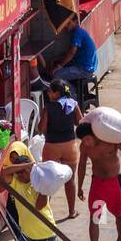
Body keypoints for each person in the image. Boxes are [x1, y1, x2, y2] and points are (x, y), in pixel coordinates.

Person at [76, 120, 121, 241]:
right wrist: (80, 186)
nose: (87, 142)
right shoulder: (84, 147)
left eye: (88, 139)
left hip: (114, 182)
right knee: (95, 218)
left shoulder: (110, 139)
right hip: (98, 184)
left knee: (120, 214)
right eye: (84, 140)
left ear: (94, 134)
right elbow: (82, 165)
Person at [39, 80, 83, 220]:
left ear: (56, 93)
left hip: (52, 146)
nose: (48, 93)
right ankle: (72, 211)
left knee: (48, 180)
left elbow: (41, 129)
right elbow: (80, 123)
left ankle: (43, 213)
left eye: (50, 91)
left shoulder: (48, 108)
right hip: (70, 146)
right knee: (70, 181)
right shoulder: (73, 104)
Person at [48, 13, 98, 91]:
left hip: (85, 69)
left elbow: (71, 53)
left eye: (68, 23)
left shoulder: (77, 33)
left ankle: (71, 93)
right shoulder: (78, 32)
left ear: (75, 22)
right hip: (84, 65)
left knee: (57, 75)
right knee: (55, 65)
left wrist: (60, 65)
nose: (66, 26)